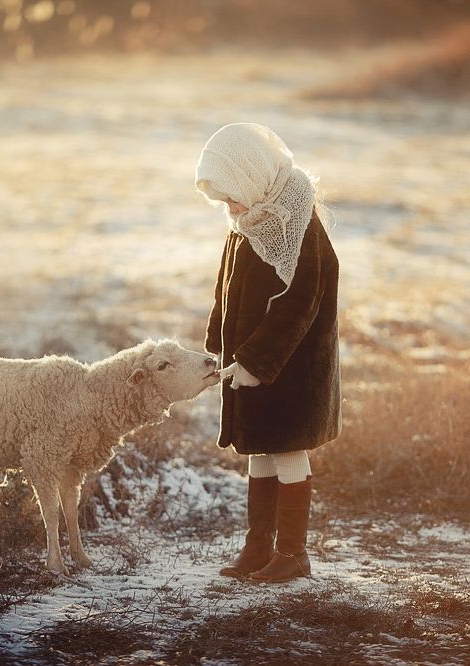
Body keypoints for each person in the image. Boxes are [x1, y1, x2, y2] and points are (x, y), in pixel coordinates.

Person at [196, 122, 342, 583]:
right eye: (223, 200)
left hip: (291, 368)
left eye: (231, 195)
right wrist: (219, 349)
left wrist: (259, 362)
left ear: (252, 177)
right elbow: (227, 290)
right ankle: (258, 546)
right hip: (248, 363)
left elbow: (302, 301)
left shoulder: (298, 224)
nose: (229, 207)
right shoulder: (245, 222)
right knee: (260, 448)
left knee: (288, 449)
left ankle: (294, 553)